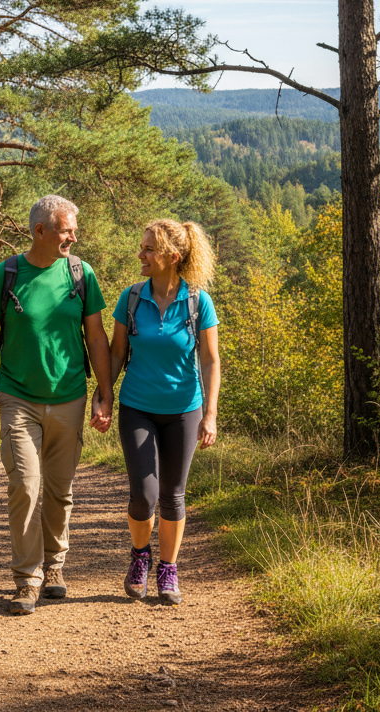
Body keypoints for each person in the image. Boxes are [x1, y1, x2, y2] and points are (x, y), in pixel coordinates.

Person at [0, 195, 113, 615]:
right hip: (18, 399)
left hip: (69, 397)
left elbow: (96, 338)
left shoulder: (81, 274)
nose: (74, 236)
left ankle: (55, 567)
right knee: (25, 486)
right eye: (67, 229)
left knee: (59, 491)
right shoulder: (6, 275)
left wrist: (105, 395)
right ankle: (28, 579)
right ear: (40, 232)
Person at [92, 219, 221, 605]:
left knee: (173, 495)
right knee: (144, 496)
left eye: (149, 249)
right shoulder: (131, 298)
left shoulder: (198, 302)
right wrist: (104, 396)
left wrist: (211, 414)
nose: (141, 254)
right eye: (143, 247)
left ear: (172, 257)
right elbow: (117, 354)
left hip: (185, 411)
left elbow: (211, 361)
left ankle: (168, 568)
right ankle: (138, 557)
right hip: (138, 407)